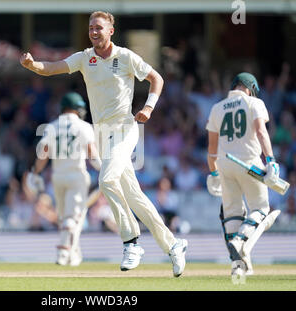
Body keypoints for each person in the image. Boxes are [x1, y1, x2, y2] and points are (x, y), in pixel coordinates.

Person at [20, 11, 187, 276]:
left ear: (111, 30)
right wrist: (33, 66)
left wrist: (149, 108)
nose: (94, 32)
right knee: (135, 197)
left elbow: (157, 79)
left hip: (125, 129)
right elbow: (53, 68)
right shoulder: (86, 58)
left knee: (106, 181)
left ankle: (131, 241)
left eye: (99, 27)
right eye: (90, 28)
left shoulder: (126, 57)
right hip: (102, 136)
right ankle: (174, 244)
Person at [206, 72, 281, 276]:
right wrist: (271, 160)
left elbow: (211, 151)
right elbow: (260, 132)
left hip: (224, 164)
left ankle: (237, 270)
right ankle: (240, 241)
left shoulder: (216, 108)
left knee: (232, 214)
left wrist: (213, 173)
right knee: (261, 208)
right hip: (249, 162)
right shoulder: (254, 103)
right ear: (250, 89)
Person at [26, 92, 101, 266]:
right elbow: (92, 154)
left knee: (66, 217)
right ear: (77, 108)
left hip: (57, 176)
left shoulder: (51, 126)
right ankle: (62, 252)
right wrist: (105, 169)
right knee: (72, 218)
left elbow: (43, 153)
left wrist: (36, 172)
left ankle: (73, 254)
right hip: (77, 175)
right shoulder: (84, 127)